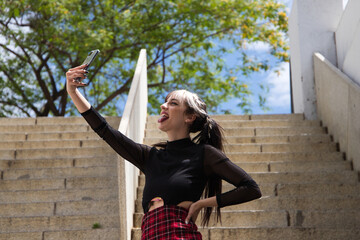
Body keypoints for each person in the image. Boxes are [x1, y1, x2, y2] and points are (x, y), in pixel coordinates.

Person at [66, 65, 262, 240]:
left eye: (173, 103)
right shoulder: (150, 157)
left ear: (190, 117)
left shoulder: (204, 154)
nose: (163, 106)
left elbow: (251, 188)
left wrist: (200, 204)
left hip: (180, 234)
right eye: (165, 102)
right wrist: (72, 91)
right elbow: (105, 131)